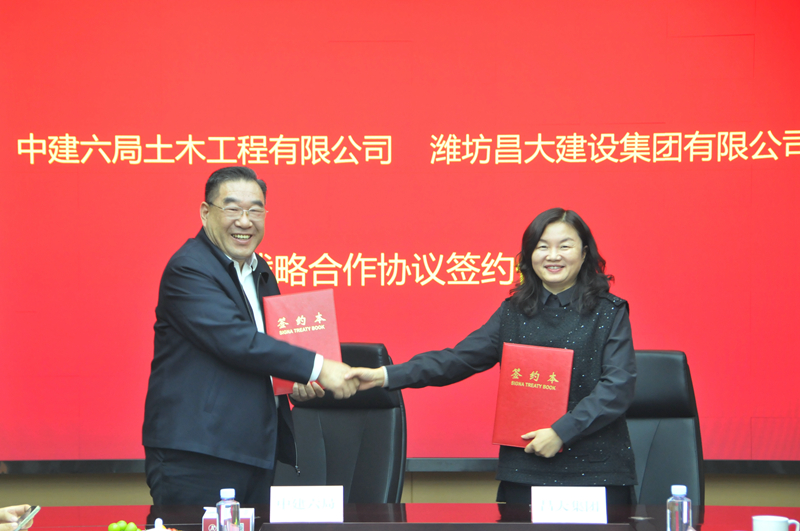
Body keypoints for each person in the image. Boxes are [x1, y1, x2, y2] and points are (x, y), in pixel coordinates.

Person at [347, 208, 637, 505]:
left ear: (584, 253)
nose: (553, 256)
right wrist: (383, 375)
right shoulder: (513, 312)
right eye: (542, 246)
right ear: (529, 254)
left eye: (565, 246)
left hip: (597, 471)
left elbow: (618, 386)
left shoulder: (609, 311)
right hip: (525, 468)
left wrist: (561, 432)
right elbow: (456, 360)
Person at [142, 166, 359, 506]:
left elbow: (268, 350)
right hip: (198, 456)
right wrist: (319, 367)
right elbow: (237, 341)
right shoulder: (189, 268)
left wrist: (294, 383)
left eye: (255, 211)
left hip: (254, 453)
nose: (245, 221)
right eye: (232, 209)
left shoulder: (261, 270)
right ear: (205, 213)